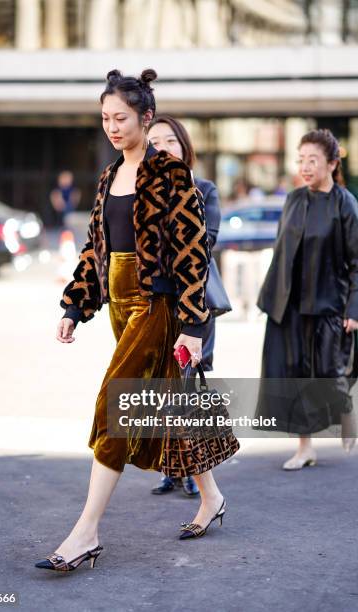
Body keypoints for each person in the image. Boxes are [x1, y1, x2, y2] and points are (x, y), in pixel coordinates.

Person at [34, 69, 240, 573]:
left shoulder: (172, 174)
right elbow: (96, 250)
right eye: (105, 117)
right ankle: (211, 497)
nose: (112, 126)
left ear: (146, 118)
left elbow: (193, 255)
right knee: (167, 404)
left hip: (158, 305)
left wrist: (193, 324)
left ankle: (85, 533)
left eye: (121, 117)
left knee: (118, 404)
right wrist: (74, 307)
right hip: (121, 305)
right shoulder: (107, 177)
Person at [254, 129, 358, 470]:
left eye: (312, 160)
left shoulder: (345, 204)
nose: (305, 167)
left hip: (328, 304)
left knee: (329, 374)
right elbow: (283, 253)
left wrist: (353, 309)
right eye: (301, 160)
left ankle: (346, 411)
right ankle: (305, 447)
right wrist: (271, 299)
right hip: (290, 307)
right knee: (293, 374)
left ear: (331, 163)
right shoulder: (294, 198)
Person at [147, 114, 226, 496]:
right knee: (165, 388)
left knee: (189, 387)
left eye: (169, 141)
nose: (162, 148)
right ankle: (172, 469)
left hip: (194, 305)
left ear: (184, 147)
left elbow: (206, 240)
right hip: (157, 303)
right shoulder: (144, 192)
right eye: (155, 142)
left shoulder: (205, 189)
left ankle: (199, 471)